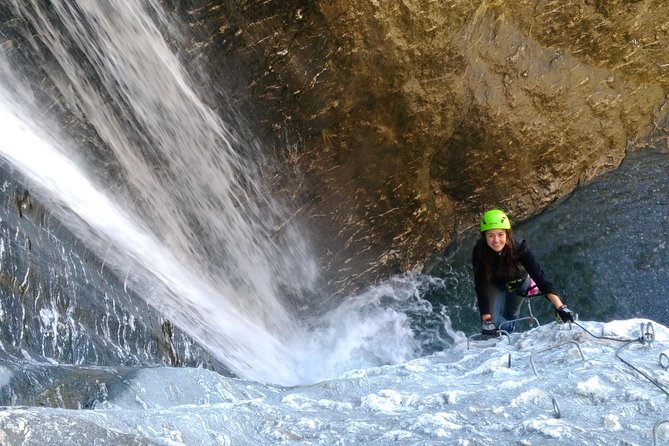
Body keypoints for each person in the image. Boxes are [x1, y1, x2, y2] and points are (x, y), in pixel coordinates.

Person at [472, 209, 575, 336]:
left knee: (512, 314)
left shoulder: (518, 247)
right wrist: (487, 320)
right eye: (490, 235)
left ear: (507, 235)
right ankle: (507, 332)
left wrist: (560, 307)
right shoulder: (480, 251)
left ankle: (506, 334)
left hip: (519, 282)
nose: (496, 240)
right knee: (492, 321)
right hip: (495, 283)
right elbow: (481, 285)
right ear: (484, 237)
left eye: (500, 234)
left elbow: (539, 276)